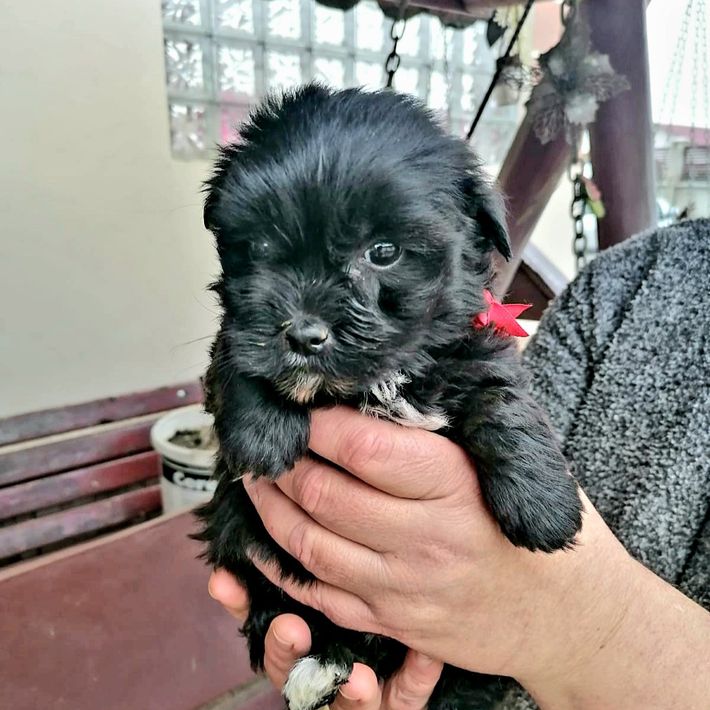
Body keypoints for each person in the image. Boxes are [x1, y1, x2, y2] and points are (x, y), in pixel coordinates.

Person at [208, 220, 710, 709]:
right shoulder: (621, 283)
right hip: (320, 612)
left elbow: (497, 392)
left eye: (382, 254)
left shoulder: (465, 347)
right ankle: (329, 661)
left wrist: (577, 618)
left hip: (468, 674)